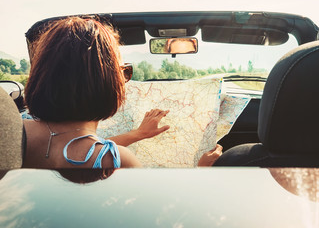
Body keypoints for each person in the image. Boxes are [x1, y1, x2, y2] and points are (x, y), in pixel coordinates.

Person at [23, 17, 221, 169]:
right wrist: (200, 171)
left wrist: (138, 134)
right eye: (123, 72)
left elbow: (77, 146)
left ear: (42, 72)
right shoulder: (117, 160)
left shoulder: (13, 132)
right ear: (107, 81)